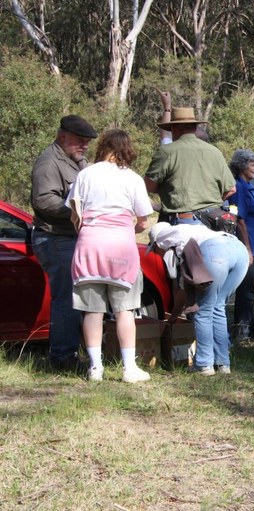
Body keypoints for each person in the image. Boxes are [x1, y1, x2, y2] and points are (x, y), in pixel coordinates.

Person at [66, 130, 154, 383]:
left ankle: (95, 367)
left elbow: (74, 214)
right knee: (125, 310)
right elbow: (143, 221)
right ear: (126, 149)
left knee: (92, 312)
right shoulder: (133, 178)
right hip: (120, 248)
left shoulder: (85, 174)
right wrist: (128, 227)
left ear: (103, 147)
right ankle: (129, 368)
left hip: (89, 246)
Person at [30, 115, 98, 371]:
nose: (84, 146)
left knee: (76, 295)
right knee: (67, 297)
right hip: (55, 237)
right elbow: (43, 201)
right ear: (62, 136)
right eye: (80, 141)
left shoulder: (77, 161)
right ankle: (62, 357)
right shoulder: (49, 162)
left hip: (71, 237)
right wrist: (76, 210)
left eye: (87, 142)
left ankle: (74, 350)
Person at [147, 222, 248, 375]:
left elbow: (181, 290)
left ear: (157, 243)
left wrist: (171, 319)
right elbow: (183, 290)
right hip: (239, 251)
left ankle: (204, 364)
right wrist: (174, 317)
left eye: (155, 250)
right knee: (218, 307)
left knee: (202, 310)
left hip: (216, 252)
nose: (157, 254)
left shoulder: (165, 238)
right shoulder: (193, 230)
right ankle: (223, 364)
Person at [144, 107, 236, 226]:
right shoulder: (215, 151)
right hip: (213, 219)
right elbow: (231, 189)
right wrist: (210, 204)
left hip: (182, 221)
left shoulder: (167, 152)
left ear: (174, 128)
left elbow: (150, 186)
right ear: (194, 127)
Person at [229, 149, 254, 343]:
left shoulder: (249, 187)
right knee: (245, 289)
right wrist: (247, 248)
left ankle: (249, 326)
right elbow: (240, 219)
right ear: (242, 166)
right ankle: (241, 330)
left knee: (249, 288)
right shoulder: (238, 188)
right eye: (253, 164)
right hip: (247, 244)